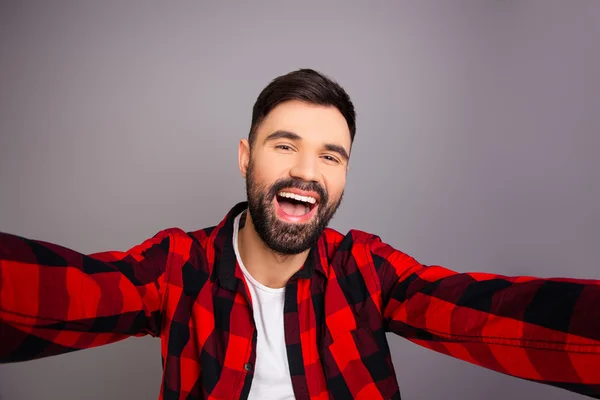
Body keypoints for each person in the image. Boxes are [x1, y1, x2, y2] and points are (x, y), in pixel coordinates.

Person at [0, 69, 598, 400]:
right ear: (245, 157)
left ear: (344, 175)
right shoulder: (177, 264)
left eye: (330, 157)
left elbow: (481, 313)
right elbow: (62, 294)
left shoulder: (366, 267)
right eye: (285, 145)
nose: (307, 173)